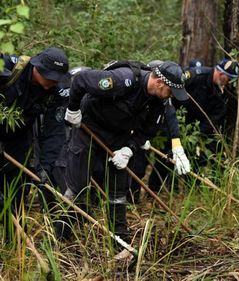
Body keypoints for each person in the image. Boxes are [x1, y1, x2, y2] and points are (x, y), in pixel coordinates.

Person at [61, 60, 189, 247]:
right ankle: (61, 237)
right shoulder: (123, 79)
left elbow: (147, 131)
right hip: (87, 129)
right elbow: (80, 80)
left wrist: (129, 149)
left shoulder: (158, 101)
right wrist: (73, 109)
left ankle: (119, 241)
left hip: (118, 138)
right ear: (160, 83)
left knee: (118, 191)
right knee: (77, 188)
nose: (171, 97)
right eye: (171, 91)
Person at [0, 47, 70, 241]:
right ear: (36, 68)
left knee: (17, 189)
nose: (52, 82)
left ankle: (15, 243)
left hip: (19, 138)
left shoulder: (56, 90)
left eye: (56, 78)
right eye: (50, 77)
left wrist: (46, 167)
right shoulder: (8, 68)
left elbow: (54, 131)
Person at [128, 60, 191, 202]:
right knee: (129, 167)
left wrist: (177, 146)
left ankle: (133, 201)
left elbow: (170, 115)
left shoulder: (161, 98)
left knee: (139, 168)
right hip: (127, 132)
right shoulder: (137, 87)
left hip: (143, 135)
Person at [172, 58, 239, 166]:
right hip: (176, 123)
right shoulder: (197, 75)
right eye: (229, 78)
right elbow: (173, 88)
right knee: (167, 160)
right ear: (222, 74)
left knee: (197, 163)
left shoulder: (223, 93)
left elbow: (214, 118)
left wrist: (198, 134)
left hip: (196, 132)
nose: (228, 82)